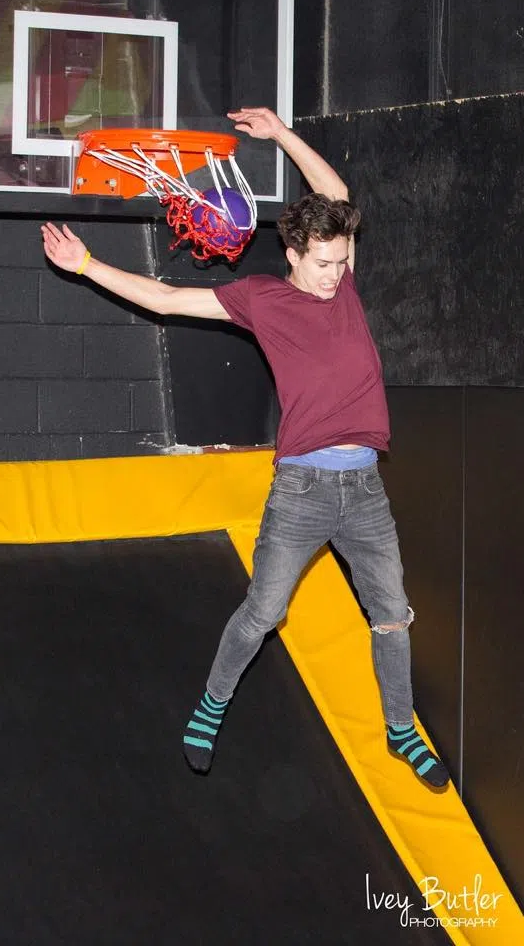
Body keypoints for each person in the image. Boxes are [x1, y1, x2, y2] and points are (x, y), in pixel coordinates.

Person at [40, 107, 449, 790]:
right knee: (263, 612)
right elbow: (168, 300)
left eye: (341, 262)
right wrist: (86, 265)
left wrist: (283, 134)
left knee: (391, 616)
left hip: (366, 492)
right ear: (294, 255)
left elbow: (337, 195)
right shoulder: (261, 298)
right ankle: (212, 704)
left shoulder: (344, 285)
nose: (335, 275)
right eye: (323, 264)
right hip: (303, 491)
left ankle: (401, 729)